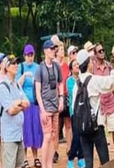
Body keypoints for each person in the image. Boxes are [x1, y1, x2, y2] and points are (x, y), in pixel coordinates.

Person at [72, 48, 114, 168]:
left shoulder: (76, 85)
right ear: (88, 64)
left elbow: (74, 107)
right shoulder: (93, 80)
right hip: (96, 125)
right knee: (105, 161)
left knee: (88, 162)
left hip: (82, 127)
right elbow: (113, 82)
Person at [0, 54, 31, 168]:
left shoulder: (17, 85)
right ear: (7, 67)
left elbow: (27, 103)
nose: (16, 65)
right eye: (13, 63)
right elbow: (11, 110)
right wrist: (19, 103)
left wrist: (17, 103)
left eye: (17, 63)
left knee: (20, 165)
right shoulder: (3, 87)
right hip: (9, 135)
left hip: (19, 134)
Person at [36, 40, 64, 168]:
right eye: (51, 49)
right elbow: (38, 91)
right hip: (46, 106)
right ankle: (44, 165)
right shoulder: (40, 68)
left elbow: (60, 83)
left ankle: (50, 164)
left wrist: (61, 98)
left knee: (54, 136)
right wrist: (42, 110)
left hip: (55, 105)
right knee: (47, 136)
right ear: (45, 51)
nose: (54, 51)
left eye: (54, 49)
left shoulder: (56, 66)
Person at [17, 44, 42, 167]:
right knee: (25, 130)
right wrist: (24, 76)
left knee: (35, 130)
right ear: (24, 55)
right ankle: (25, 158)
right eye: (27, 55)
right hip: (24, 104)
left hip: (35, 103)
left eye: (31, 55)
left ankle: (36, 157)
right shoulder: (21, 67)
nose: (30, 57)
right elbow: (17, 85)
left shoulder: (37, 67)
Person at [92, 44, 114, 155]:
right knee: (100, 130)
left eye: (103, 50)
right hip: (99, 103)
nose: (102, 52)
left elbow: (113, 84)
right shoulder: (93, 68)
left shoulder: (109, 66)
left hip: (109, 100)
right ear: (95, 54)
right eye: (99, 51)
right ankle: (103, 154)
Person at [65, 60, 84, 168]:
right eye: (75, 65)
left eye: (78, 64)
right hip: (74, 111)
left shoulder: (83, 78)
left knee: (81, 135)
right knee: (76, 135)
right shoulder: (69, 81)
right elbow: (75, 93)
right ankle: (71, 157)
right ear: (71, 69)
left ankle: (81, 157)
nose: (77, 66)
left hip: (83, 111)